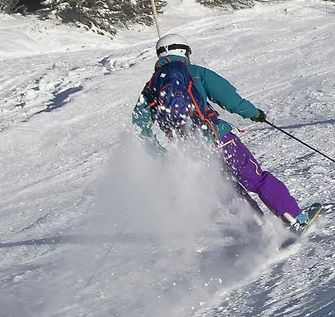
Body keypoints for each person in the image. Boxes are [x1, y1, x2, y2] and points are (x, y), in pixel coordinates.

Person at [133, 38, 312, 230]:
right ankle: (294, 219)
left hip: (191, 151)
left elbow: (139, 128)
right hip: (218, 138)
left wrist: (161, 155)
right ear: (184, 51)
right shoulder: (196, 73)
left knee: (226, 190)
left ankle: (259, 229)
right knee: (255, 178)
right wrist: (254, 114)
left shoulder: (150, 88)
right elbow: (229, 98)